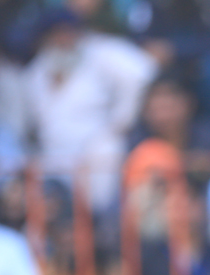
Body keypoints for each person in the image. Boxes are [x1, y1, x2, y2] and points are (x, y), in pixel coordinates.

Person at [23, 8, 156, 210]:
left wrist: (121, 122)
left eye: (68, 32)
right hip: (52, 158)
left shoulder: (99, 55)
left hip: (95, 152)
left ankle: (101, 219)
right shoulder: (35, 73)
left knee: (107, 151)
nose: (64, 39)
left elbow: (142, 74)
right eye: (57, 34)